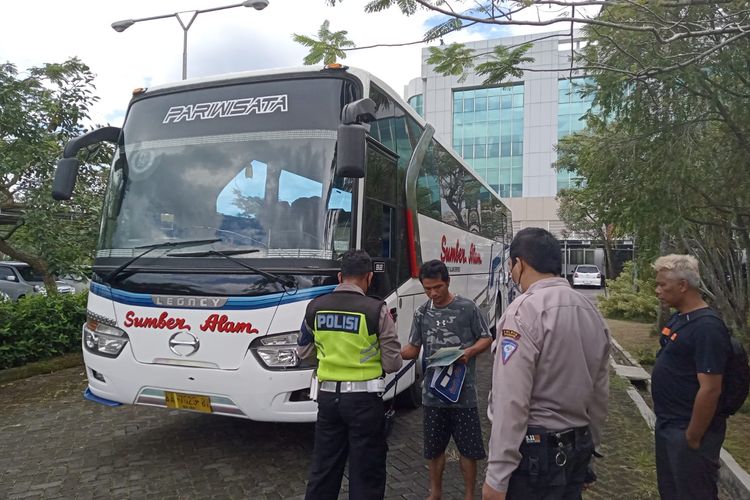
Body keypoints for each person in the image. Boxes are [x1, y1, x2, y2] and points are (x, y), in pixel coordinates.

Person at [483, 227, 610, 500]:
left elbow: (511, 401)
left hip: (535, 459)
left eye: (510, 266)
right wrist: (589, 452)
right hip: (577, 447)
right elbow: (600, 394)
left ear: (520, 264)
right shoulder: (590, 311)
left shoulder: (522, 311)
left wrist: (497, 475)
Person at [297, 249, 403, 500]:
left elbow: (304, 353)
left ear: (339, 276)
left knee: (324, 468)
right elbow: (392, 363)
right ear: (369, 277)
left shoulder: (315, 307)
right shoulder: (376, 309)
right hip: (364, 403)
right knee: (366, 471)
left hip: (327, 399)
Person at [401, 259, 493, 500]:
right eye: (428, 288)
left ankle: (469, 496)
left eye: (438, 287)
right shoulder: (422, 312)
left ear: (448, 282)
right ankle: (436, 493)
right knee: (434, 450)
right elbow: (413, 348)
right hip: (432, 395)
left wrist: (468, 353)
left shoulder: (468, 308)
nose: (433, 293)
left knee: (469, 450)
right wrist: (387, 352)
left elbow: (486, 338)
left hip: (464, 393)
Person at [651, 254, 731, 500]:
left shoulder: (707, 328)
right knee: (672, 491)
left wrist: (693, 437)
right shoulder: (680, 318)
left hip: (688, 430)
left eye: (663, 285)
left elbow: (710, 389)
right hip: (669, 425)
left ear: (683, 285)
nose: (658, 290)